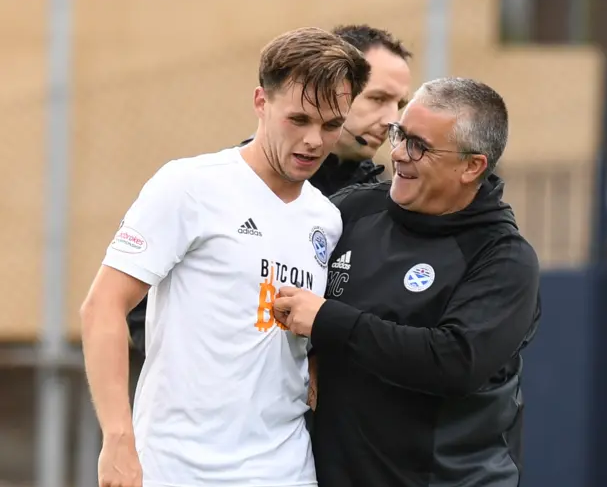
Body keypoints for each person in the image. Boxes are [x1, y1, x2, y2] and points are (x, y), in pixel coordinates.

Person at [79, 27, 370, 487]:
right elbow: (102, 308)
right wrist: (118, 439)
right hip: (180, 476)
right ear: (260, 102)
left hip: (282, 478)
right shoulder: (189, 186)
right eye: (300, 118)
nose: (315, 139)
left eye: (332, 124)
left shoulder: (326, 219)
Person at [274, 77, 541, 487]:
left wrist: (329, 321)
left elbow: (454, 361)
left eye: (419, 145)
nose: (398, 153)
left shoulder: (503, 258)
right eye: (400, 134)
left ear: (473, 166)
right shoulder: (352, 215)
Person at [126, 24, 412, 357]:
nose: (393, 119)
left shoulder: (379, 206)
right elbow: (133, 309)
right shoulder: (213, 187)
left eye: (400, 104)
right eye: (378, 98)